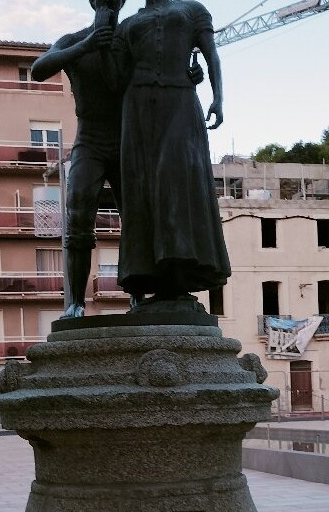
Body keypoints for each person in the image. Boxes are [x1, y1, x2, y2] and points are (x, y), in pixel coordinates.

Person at [113, 0, 230, 305]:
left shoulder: (192, 9)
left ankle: (180, 271)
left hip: (180, 99)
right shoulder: (127, 24)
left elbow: (212, 54)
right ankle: (154, 278)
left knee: (174, 180)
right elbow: (116, 75)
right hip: (137, 105)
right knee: (142, 188)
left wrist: (218, 98)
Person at [31, 1, 125, 319]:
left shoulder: (129, 39)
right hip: (89, 141)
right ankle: (76, 303)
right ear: (93, 3)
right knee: (78, 217)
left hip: (125, 141)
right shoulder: (74, 40)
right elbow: (39, 70)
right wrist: (88, 44)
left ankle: (138, 294)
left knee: (135, 218)